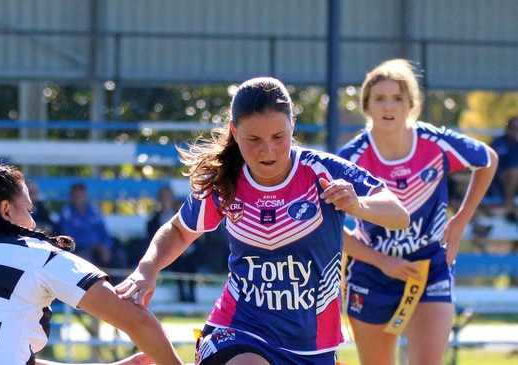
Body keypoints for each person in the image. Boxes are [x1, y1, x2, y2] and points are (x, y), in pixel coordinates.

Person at [116, 77, 409, 365]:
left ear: (292, 125)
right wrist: (147, 269)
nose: (267, 150)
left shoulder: (323, 171)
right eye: (254, 139)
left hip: (313, 347)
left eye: (278, 137)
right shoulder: (225, 181)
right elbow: (180, 230)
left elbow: (398, 214)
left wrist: (359, 205)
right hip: (238, 332)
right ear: (234, 131)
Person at [0, 164, 182, 365]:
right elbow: (137, 320)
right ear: (6, 210)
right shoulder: (33, 253)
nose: (34, 222)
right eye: (29, 210)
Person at [338, 59, 498, 365]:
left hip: (430, 267)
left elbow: (487, 159)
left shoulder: (433, 143)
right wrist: (383, 261)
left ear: (411, 104)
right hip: (373, 273)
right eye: (379, 98)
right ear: (366, 106)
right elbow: (327, 226)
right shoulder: (352, 158)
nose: (389, 106)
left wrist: (460, 221)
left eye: (397, 98)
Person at [147, 186, 196, 302]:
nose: (166, 199)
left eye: (168, 196)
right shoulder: (153, 220)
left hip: (186, 250)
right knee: (178, 262)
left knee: (190, 261)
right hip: (165, 253)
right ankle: (182, 294)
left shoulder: (182, 214)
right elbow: (152, 240)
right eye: (163, 197)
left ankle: (191, 293)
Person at [59, 183, 113, 267]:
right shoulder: (67, 212)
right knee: (85, 257)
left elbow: (104, 231)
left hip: (99, 247)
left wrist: (105, 245)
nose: (80, 198)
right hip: (80, 248)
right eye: (77, 195)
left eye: (82, 195)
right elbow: (68, 235)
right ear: (72, 196)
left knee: (118, 255)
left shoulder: (94, 211)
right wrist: (93, 244)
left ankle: (117, 279)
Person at [491, 116, 518, 222]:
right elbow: (490, 162)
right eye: (513, 127)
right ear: (508, 128)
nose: (515, 130)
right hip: (499, 178)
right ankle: (508, 203)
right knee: (514, 172)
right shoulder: (499, 142)